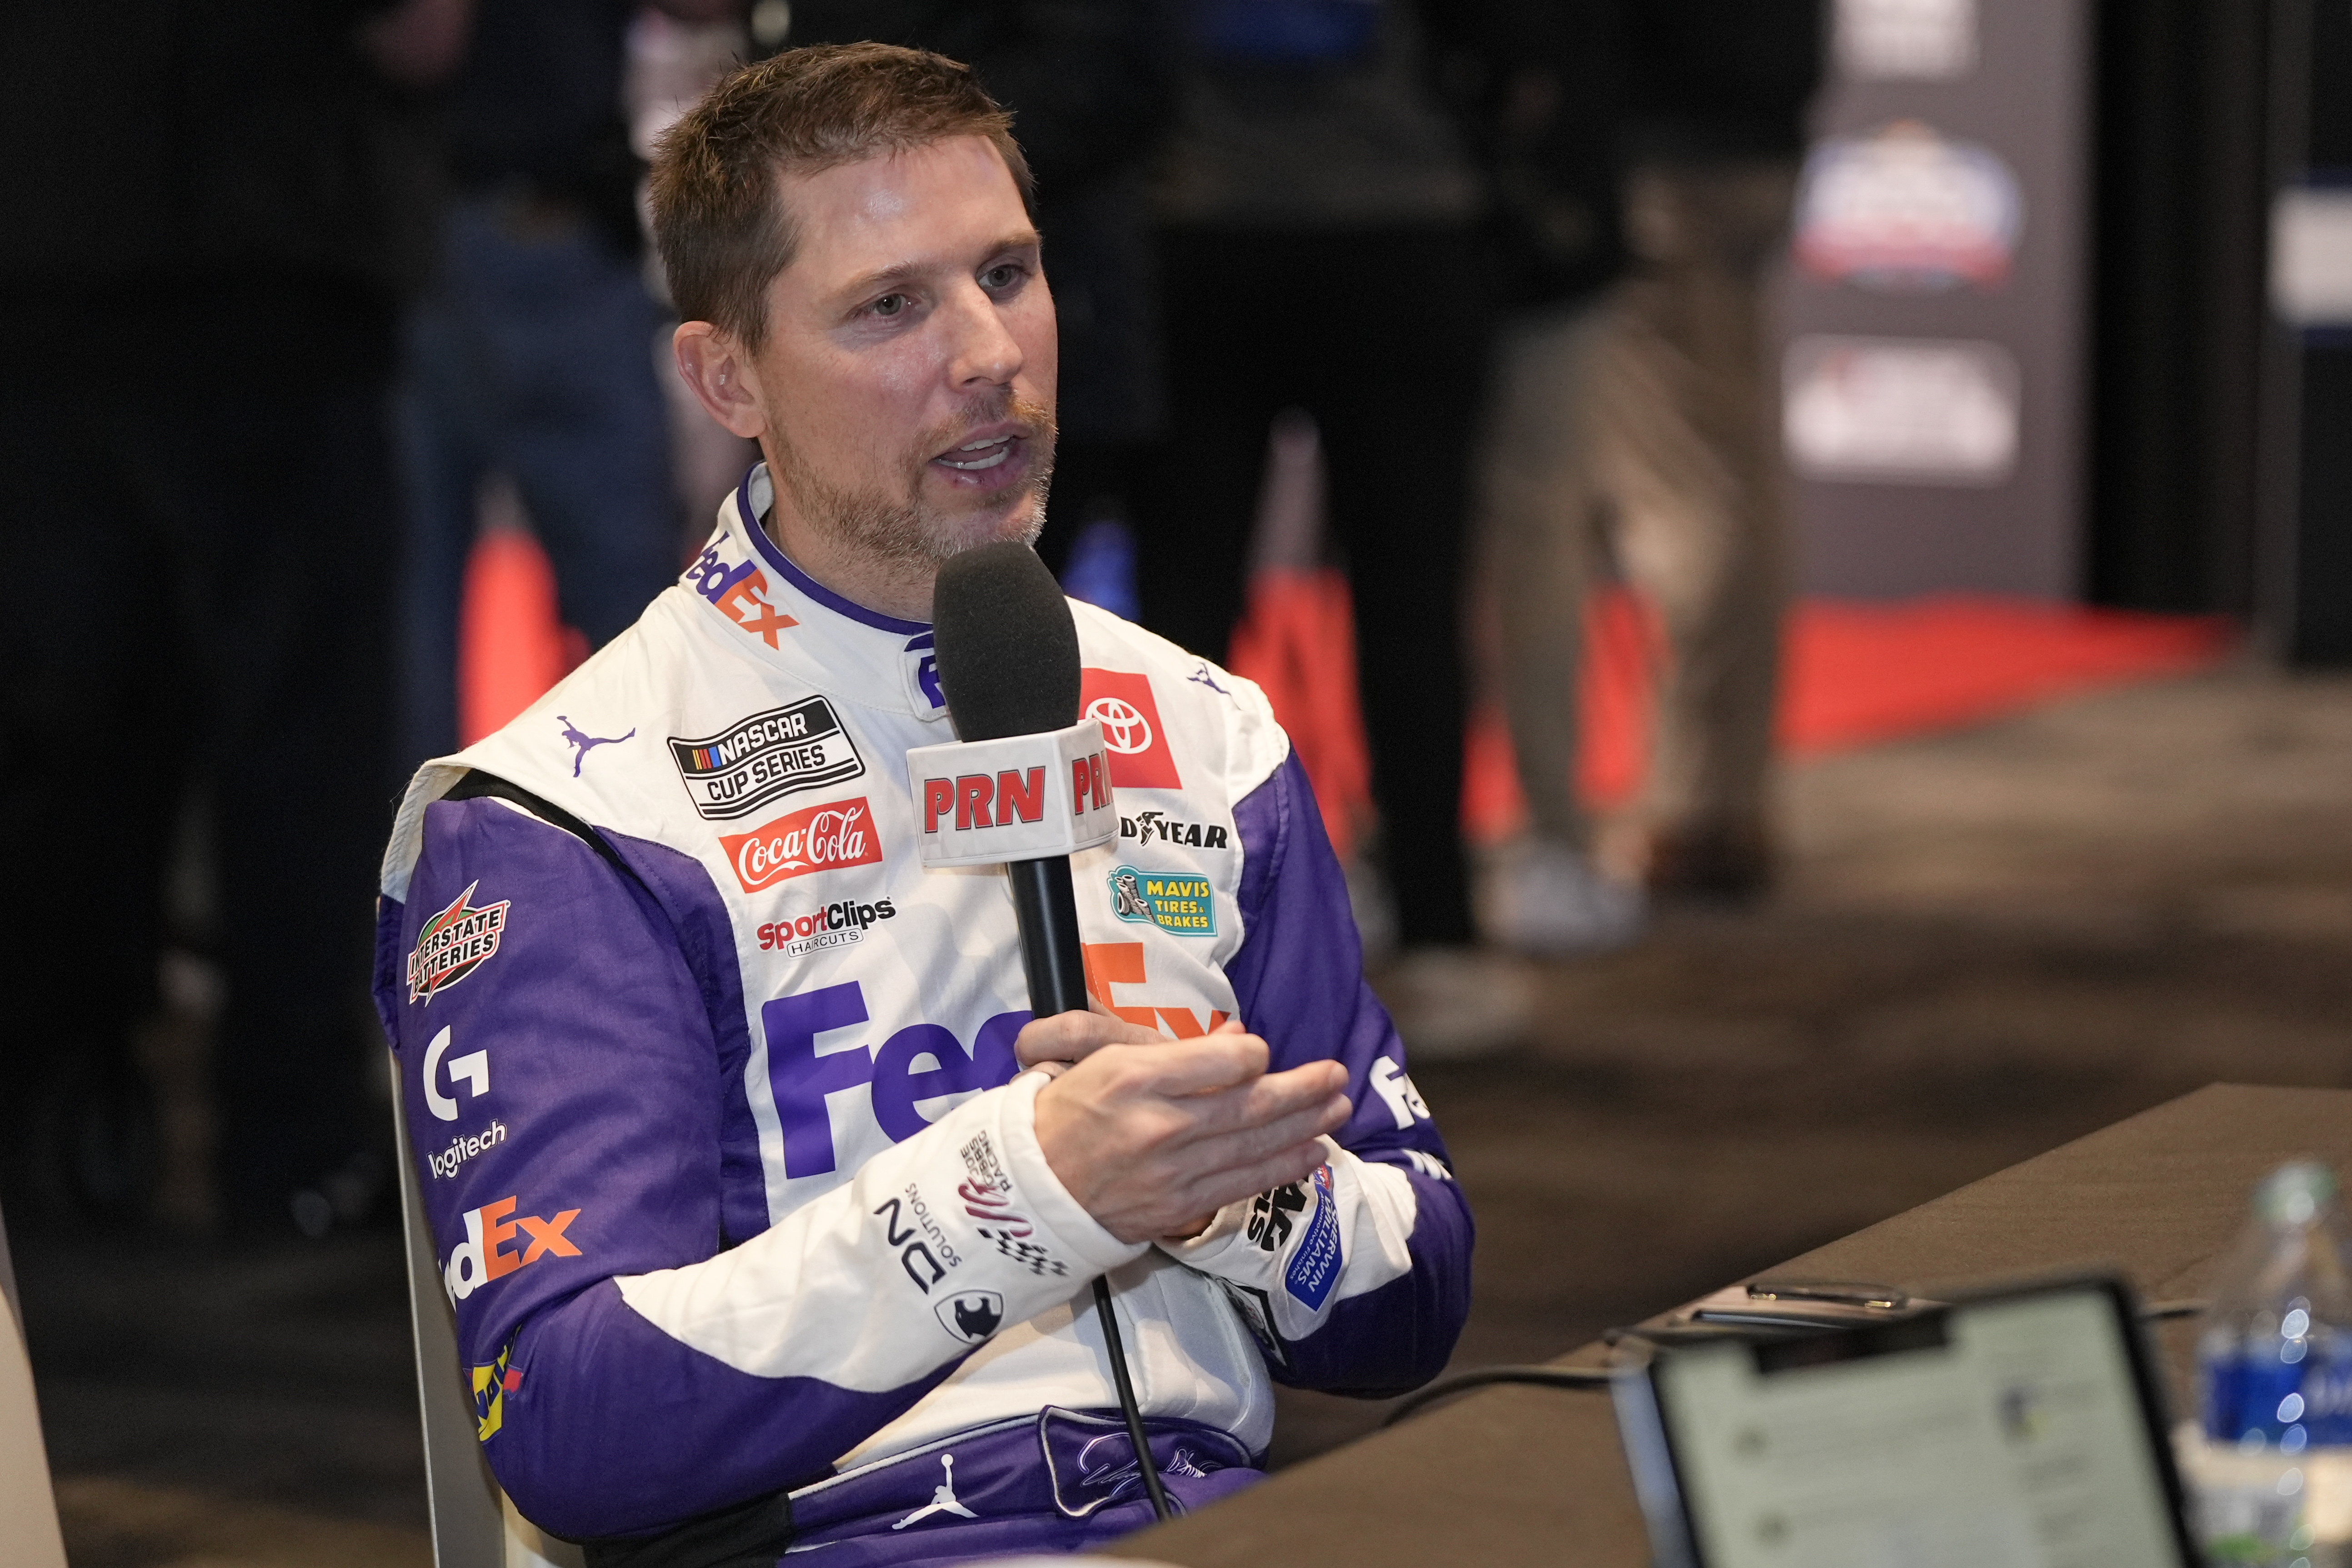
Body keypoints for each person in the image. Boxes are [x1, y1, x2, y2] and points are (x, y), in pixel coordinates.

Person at [371, 44, 1470, 1563]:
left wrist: (1234, 1203)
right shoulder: (572, 814)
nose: (987, 354)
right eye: (890, 305)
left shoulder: (1207, 733)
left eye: (1009, 274)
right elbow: (572, 1422)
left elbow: (1417, 1304)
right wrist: (1030, 1185)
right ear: (725, 377)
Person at [0, 0, 455, 1230]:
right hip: (272, 278)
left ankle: (67, 1122)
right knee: (297, 748)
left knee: (65, 739)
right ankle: (290, 1142)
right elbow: (421, 33)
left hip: (48, 269)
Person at [1131, 3, 1494, 1008]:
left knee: (1181, 615)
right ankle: (1442, 934)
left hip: (1203, 226)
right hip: (1400, 227)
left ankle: (1162, 939)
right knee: (1411, 598)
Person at [1461, 0, 1821, 929]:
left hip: (1667, 156)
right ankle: (1714, 805)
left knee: (1687, 488)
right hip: (1745, 139)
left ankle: (1699, 812)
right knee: (1721, 471)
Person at [395, 0, 746, 769]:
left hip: (435, 232)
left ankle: (420, 870)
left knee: (411, 624)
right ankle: (664, 846)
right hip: (506, 232)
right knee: (634, 614)